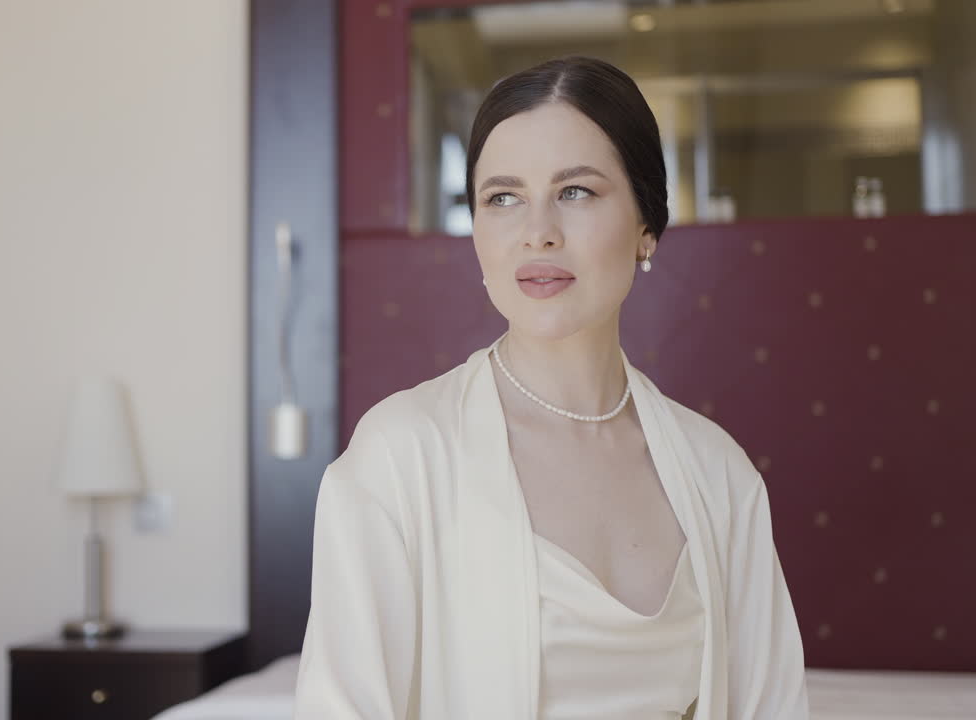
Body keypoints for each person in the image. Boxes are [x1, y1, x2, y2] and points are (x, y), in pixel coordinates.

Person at [294, 55, 809, 720]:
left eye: (576, 192)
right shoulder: (400, 456)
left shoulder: (718, 474)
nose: (537, 231)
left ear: (647, 226)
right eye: (502, 198)